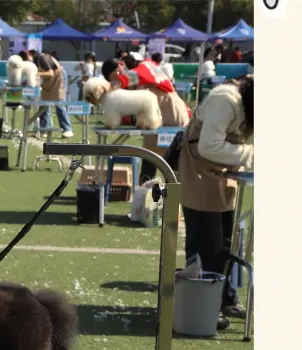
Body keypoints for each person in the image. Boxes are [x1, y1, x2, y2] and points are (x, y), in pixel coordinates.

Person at [176, 75, 253, 329]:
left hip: (225, 172)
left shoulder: (246, 102)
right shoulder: (225, 99)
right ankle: (202, 306)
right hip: (200, 172)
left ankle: (226, 298)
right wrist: (251, 155)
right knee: (206, 243)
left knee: (228, 242)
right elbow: (209, 147)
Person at [101, 57, 191, 182]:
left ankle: (175, 197)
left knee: (174, 164)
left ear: (119, 69)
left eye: (115, 78)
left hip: (172, 113)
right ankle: (144, 194)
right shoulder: (137, 75)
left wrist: (111, 86)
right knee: (149, 158)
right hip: (154, 120)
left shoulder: (144, 66)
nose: (116, 84)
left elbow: (134, 76)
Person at [30, 49, 73, 139]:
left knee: (59, 104)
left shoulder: (43, 58)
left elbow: (50, 73)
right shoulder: (37, 61)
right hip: (50, 81)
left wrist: (36, 74)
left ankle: (67, 129)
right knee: (44, 105)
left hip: (59, 78)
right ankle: (43, 130)